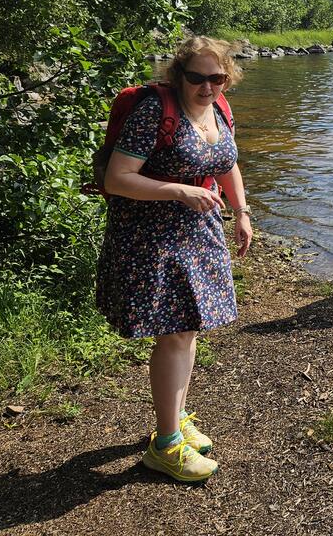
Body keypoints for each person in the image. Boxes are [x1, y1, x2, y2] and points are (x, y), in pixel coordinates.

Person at [95, 36, 252, 482]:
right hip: (150, 238)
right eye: (197, 78)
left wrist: (241, 212)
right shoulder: (153, 114)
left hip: (198, 235)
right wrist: (180, 190)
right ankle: (165, 446)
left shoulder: (220, 109)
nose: (207, 86)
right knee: (174, 333)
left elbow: (227, 164)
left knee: (188, 327)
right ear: (178, 75)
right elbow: (118, 178)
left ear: (228, 77)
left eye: (217, 78)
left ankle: (176, 416)